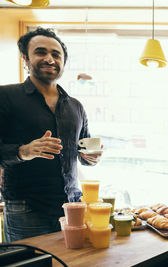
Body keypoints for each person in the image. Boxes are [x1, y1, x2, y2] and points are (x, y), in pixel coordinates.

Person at [0, 27, 102, 242]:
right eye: (40, 52)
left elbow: (84, 153)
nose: (49, 58)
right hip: (26, 208)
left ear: (63, 63)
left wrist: (90, 158)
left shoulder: (76, 106)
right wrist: (23, 151)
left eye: (56, 54)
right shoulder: (5, 96)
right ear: (26, 60)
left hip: (71, 207)